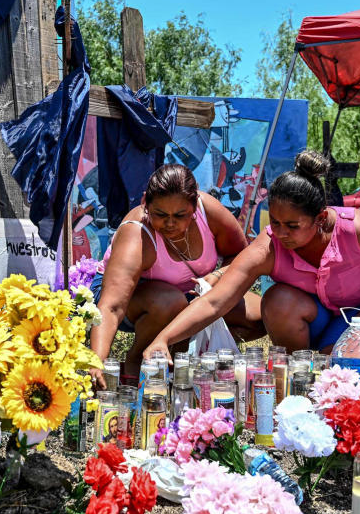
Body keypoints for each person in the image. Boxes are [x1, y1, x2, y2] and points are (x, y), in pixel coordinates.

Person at [144, 152, 360, 358]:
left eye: (292, 226)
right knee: (277, 300)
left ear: (320, 218)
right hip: (314, 317)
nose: (281, 233)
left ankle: (324, 362)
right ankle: (298, 369)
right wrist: (163, 339)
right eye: (275, 222)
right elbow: (216, 302)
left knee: (342, 373)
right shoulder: (269, 246)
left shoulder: (356, 229)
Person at [89, 164, 262, 386]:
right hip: (134, 300)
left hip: (190, 295)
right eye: (160, 214)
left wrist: (217, 276)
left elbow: (241, 257)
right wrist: (96, 361)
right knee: (169, 301)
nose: (170, 223)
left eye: (180, 215)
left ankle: (180, 354)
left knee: (258, 316)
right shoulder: (137, 233)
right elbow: (112, 306)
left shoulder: (209, 211)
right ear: (145, 203)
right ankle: (136, 360)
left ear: (194, 207)